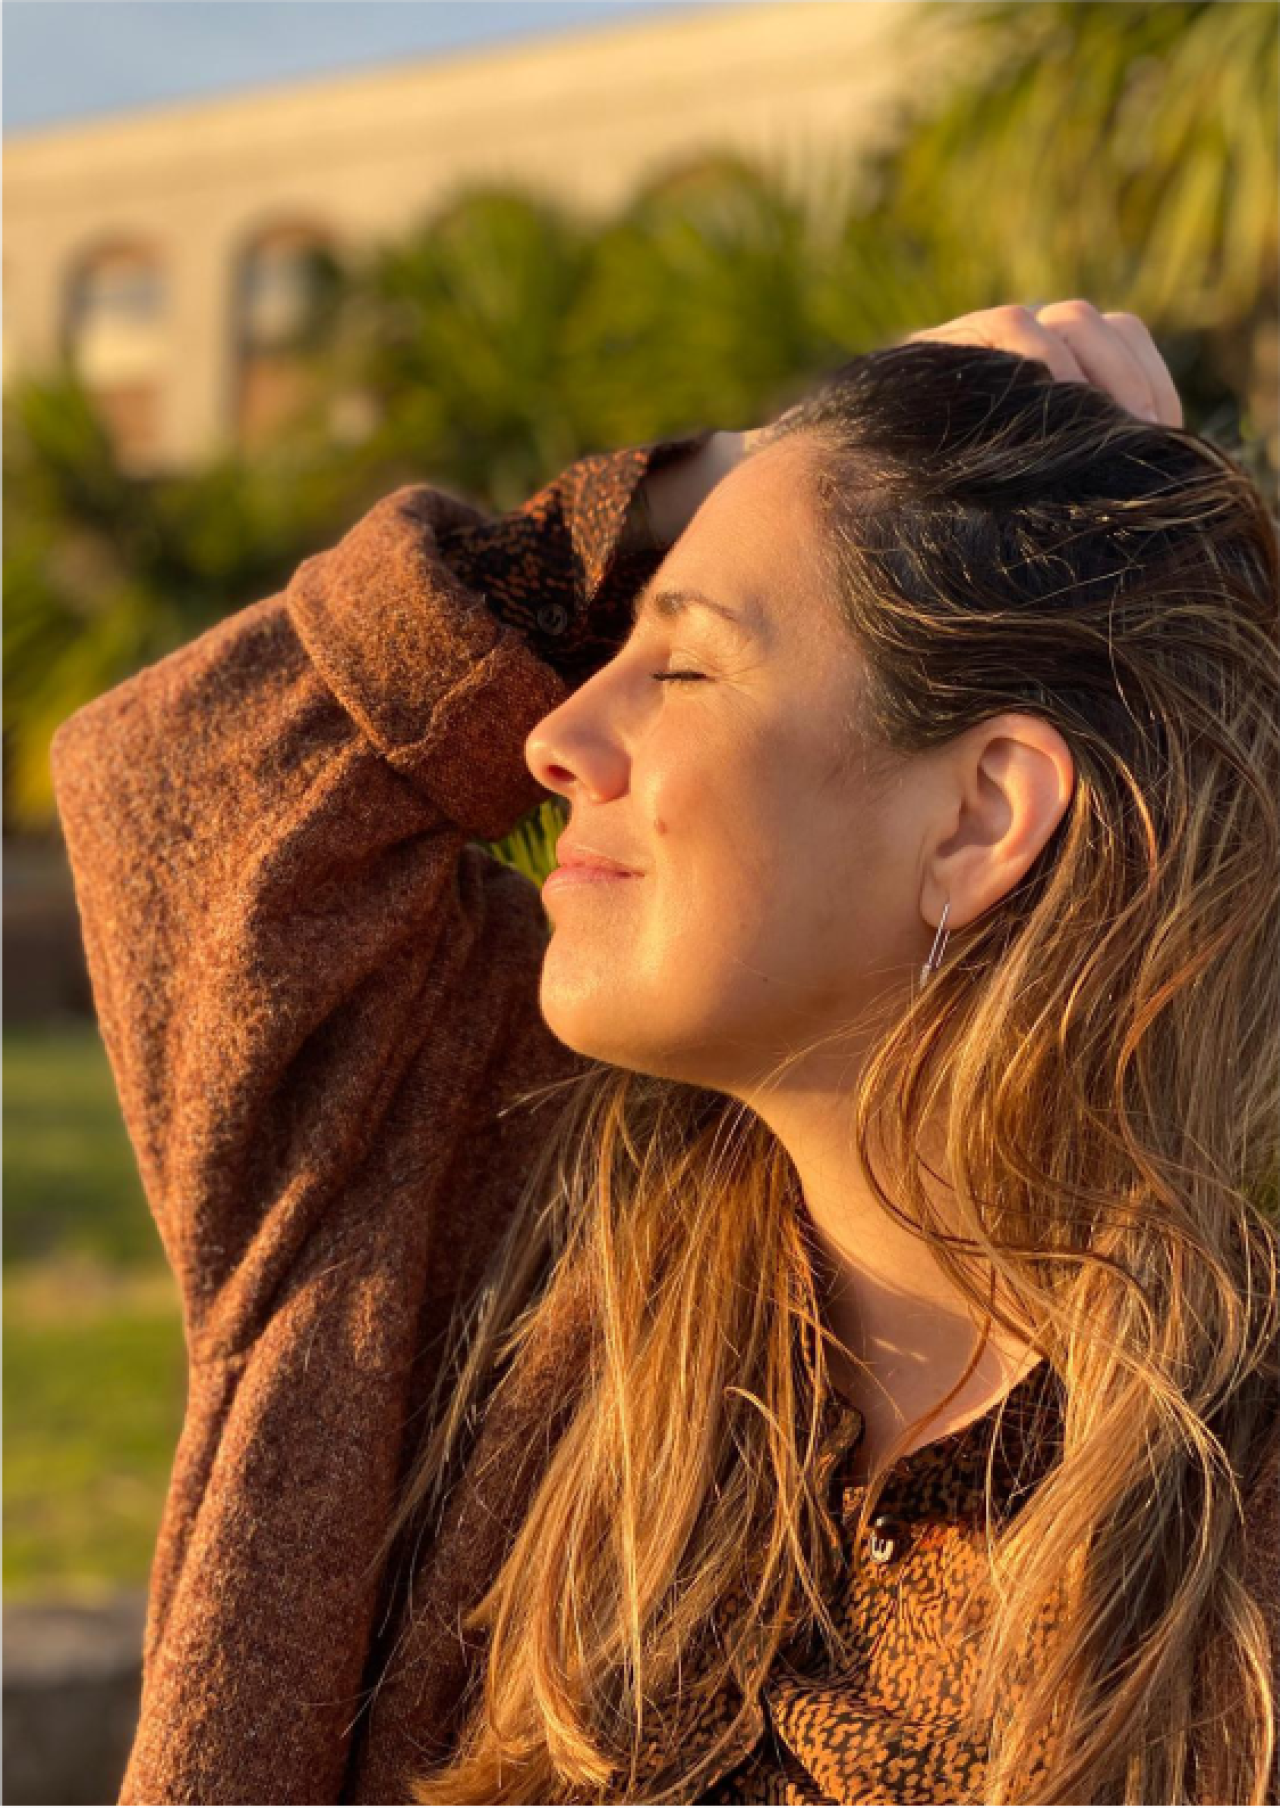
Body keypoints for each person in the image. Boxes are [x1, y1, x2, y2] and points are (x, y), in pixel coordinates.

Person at [51, 302, 1279, 1808]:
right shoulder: (499, 1228)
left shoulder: (1236, 1508)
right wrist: (729, 480)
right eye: (604, 643)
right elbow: (180, 779)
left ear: (975, 818)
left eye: (681, 670)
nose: (555, 734)